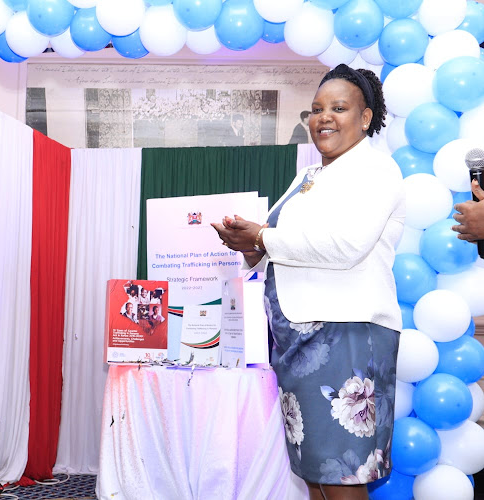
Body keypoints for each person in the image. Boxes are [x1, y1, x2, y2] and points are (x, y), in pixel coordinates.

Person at [212, 64, 404, 500]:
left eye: (339, 107)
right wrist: (249, 243)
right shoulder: (308, 177)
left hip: (346, 334)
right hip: (298, 337)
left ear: (366, 117)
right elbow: (283, 245)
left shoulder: (375, 170)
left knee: (342, 471)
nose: (324, 117)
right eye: (316, 109)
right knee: (315, 470)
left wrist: (263, 236)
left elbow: (346, 247)